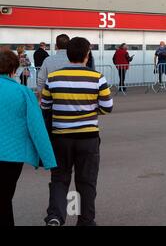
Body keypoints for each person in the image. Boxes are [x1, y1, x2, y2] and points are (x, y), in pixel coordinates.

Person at [41, 37, 113, 226]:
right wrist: (88, 109)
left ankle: (55, 216)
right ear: (87, 55)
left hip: (60, 138)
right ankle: (86, 221)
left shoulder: (53, 77)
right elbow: (107, 108)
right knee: (87, 181)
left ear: (68, 54)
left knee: (59, 178)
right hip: (88, 138)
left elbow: (45, 105)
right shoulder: (97, 77)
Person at [0, 50, 56, 226]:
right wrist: (48, 159)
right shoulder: (22, 92)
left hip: (10, 155)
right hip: (11, 156)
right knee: (4, 201)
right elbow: (37, 128)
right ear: (14, 68)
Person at [37, 34, 71, 136]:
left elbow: (41, 81)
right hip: (72, 102)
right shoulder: (74, 61)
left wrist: (40, 99)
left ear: (56, 46)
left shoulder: (48, 60)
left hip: (52, 103)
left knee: (51, 133)